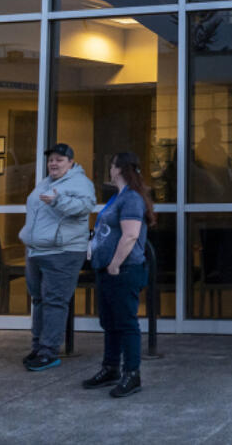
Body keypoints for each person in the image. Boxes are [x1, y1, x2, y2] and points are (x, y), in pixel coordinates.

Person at [81, 151, 156, 398]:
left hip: (123, 270)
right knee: (110, 322)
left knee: (125, 323)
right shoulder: (117, 197)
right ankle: (110, 367)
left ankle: (132, 374)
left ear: (119, 169)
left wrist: (114, 263)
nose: (110, 171)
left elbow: (131, 234)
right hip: (106, 269)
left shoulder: (131, 199)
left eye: (112, 166)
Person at [17, 142, 95, 371]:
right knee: (39, 300)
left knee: (54, 301)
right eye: (51, 159)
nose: (53, 163)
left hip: (63, 252)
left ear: (71, 163)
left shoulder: (80, 182)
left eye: (59, 160)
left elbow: (85, 206)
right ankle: (38, 347)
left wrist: (59, 201)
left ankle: (49, 351)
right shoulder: (46, 182)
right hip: (36, 251)